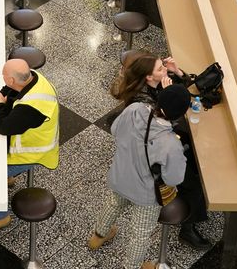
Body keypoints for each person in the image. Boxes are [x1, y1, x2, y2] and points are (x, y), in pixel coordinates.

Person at [110, 51, 211, 250]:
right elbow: (168, 116)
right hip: (150, 160)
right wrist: (167, 95)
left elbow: (181, 96)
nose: (165, 69)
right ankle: (188, 229)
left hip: (144, 151)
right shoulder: (145, 102)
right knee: (195, 183)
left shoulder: (152, 85)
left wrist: (178, 73)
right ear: (149, 76)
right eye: (161, 68)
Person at [88, 85, 191, 269]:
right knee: (140, 233)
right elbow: (173, 179)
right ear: (179, 114)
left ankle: (98, 236)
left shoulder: (134, 109)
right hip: (145, 195)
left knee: (113, 204)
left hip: (120, 177)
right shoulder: (171, 145)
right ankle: (132, 266)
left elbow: (115, 131)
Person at [0, 59, 60, 234]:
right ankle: (8, 177)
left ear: (13, 79)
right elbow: (5, 91)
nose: (3, 79)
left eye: (4, 76)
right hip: (21, 140)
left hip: (30, 154)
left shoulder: (32, 106)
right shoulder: (32, 77)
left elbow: (4, 127)